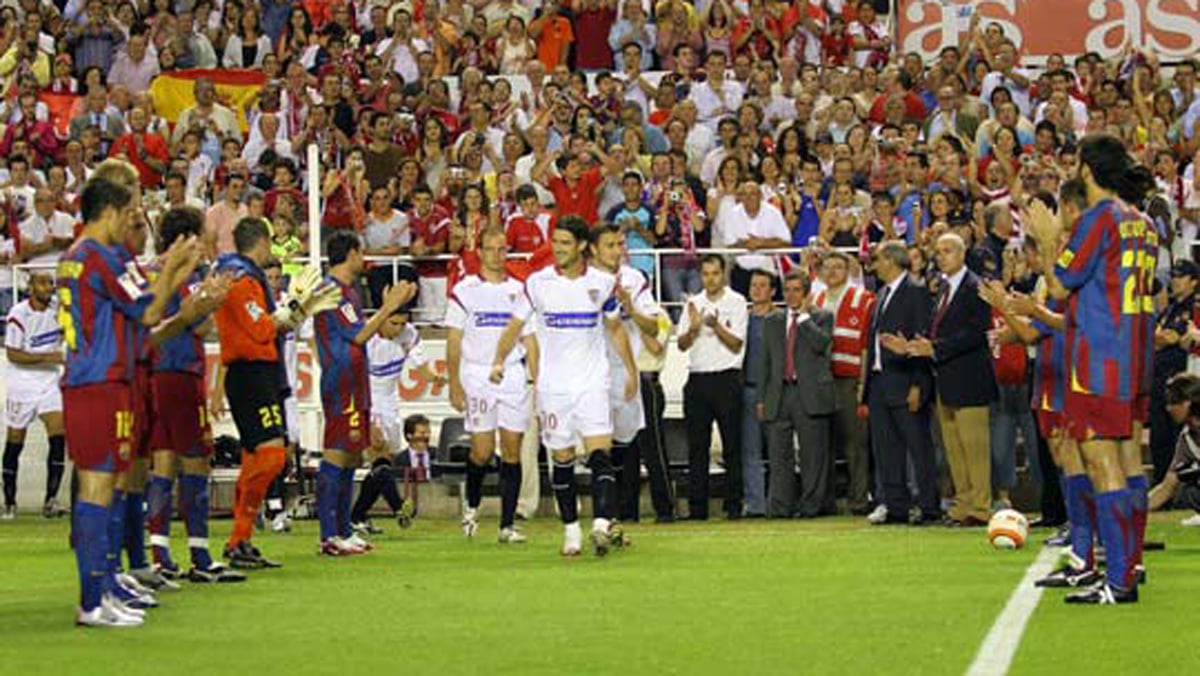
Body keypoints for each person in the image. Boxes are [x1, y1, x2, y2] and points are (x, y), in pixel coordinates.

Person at [58, 177, 199, 627]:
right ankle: (92, 600)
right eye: (128, 214)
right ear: (110, 213)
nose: (130, 224)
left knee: (105, 485)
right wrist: (174, 267)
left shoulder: (75, 258)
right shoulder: (96, 256)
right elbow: (149, 312)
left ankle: (102, 590)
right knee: (100, 487)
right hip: (100, 380)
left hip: (97, 378)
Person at [1023, 134, 1157, 604]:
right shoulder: (1142, 221)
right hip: (1135, 358)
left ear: (1086, 168)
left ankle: (1117, 580)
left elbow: (1059, 286)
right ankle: (1131, 567)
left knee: (1102, 465)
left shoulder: (1099, 219)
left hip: (1098, 358)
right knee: (1128, 462)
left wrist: (1044, 238)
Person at [489, 217, 638, 556]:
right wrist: (498, 359)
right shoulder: (537, 283)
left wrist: (630, 369)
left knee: (601, 452)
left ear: (582, 246)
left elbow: (615, 329)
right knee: (563, 458)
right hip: (553, 387)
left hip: (592, 383)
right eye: (555, 242)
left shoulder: (602, 283)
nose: (557, 248)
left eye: (565, 243)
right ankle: (571, 530)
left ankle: (600, 523)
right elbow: (514, 326)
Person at [213, 217, 338, 569]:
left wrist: (297, 310)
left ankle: (241, 540)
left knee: (260, 458)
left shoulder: (238, 276)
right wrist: (295, 306)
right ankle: (238, 537)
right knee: (270, 457)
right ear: (262, 242)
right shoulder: (240, 280)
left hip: (259, 373)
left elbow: (268, 326)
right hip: (250, 373)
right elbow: (262, 328)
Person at [143, 207, 244, 584]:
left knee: (163, 464)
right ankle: (200, 555)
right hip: (180, 372)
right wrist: (215, 302)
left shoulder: (156, 270)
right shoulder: (182, 275)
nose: (208, 242)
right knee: (196, 462)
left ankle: (159, 553)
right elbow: (196, 327)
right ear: (186, 238)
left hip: (157, 373)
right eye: (202, 235)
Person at [313, 232, 416, 556]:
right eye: (361, 252)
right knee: (336, 454)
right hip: (341, 378)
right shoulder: (331, 291)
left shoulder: (348, 291)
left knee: (351, 456)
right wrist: (388, 306)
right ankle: (329, 535)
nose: (364, 258)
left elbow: (366, 333)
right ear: (352, 253)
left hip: (355, 378)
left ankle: (344, 529)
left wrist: (391, 309)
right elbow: (358, 336)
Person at [897, 233, 996, 526]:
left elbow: (976, 332)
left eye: (947, 250)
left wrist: (935, 348)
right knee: (954, 447)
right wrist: (914, 346)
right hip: (947, 377)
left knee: (974, 447)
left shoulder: (975, 286)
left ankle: (980, 506)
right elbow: (937, 330)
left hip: (970, 377)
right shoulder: (941, 288)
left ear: (962, 254)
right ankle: (963, 503)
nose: (940, 256)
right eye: (938, 251)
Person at [446, 228, 536, 543]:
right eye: (491, 249)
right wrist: (454, 383)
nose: (497, 255)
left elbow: (529, 336)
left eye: (503, 249)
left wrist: (535, 375)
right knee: (482, 451)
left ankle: (507, 525)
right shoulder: (465, 290)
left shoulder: (520, 291)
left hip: (511, 373)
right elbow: (454, 340)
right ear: (479, 251)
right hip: (477, 375)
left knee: (513, 449)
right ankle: (471, 508)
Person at [862, 240, 939, 526]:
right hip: (881, 382)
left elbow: (920, 338)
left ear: (892, 261)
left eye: (878, 259)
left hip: (906, 381)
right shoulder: (882, 293)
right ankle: (896, 506)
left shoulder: (915, 291)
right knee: (886, 449)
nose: (874, 265)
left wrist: (919, 384)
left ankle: (929, 506)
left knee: (919, 447)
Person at [589, 223, 661, 522]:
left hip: (625, 370)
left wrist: (631, 306)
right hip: (591, 370)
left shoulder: (634, 279)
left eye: (621, 245)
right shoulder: (584, 280)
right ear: (594, 248)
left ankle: (626, 515)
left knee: (627, 443)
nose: (619, 251)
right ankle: (602, 516)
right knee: (598, 444)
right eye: (611, 245)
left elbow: (654, 326)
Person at [755, 270, 836, 519]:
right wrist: (761, 398)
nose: (791, 295)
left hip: (809, 394)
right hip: (779, 394)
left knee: (813, 456)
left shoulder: (822, 317)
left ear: (806, 292)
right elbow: (765, 364)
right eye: (787, 290)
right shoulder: (772, 321)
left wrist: (803, 320)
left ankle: (811, 506)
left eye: (796, 290)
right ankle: (780, 507)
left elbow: (822, 345)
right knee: (779, 455)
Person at [351, 306, 439, 534]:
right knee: (378, 453)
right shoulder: (366, 337)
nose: (398, 329)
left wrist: (434, 377)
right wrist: (366, 417)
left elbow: (420, 367)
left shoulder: (408, 334)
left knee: (382, 465)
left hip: (390, 401)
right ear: (381, 319)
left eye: (402, 323)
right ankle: (398, 507)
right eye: (394, 324)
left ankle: (357, 516)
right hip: (367, 399)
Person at [677, 254, 748, 521]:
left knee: (732, 446)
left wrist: (715, 325)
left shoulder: (737, 302)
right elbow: (682, 345)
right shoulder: (693, 303)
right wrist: (693, 329)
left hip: (727, 378)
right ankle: (698, 509)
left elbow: (737, 344)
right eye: (705, 274)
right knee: (697, 448)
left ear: (724, 274)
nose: (710, 279)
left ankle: (733, 506)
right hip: (697, 378)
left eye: (715, 273)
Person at [813, 252, 875, 514]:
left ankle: (859, 499)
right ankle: (825, 501)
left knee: (855, 443)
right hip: (821, 381)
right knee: (823, 443)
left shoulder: (864, 299)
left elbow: (865, 344)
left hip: (849, 379)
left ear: (848, 270)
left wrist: (863, 385)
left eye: (838, 267)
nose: (832, 272)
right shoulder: (815, 300)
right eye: (827, 267)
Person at [2, 271, 66, 520]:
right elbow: (13, 354)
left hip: (50, 381)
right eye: (42, 282)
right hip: (22, 384)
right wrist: (49, 357)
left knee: (58, 437)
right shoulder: (18, 313)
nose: (48, 286)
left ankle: (50, 500)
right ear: (30, 287)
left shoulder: (59, 311)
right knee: (15, 442)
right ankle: (9, 501)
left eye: (50, 282)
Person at [741, 269, 775, 518]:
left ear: (773, 291)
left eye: (763, 285)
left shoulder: (781, 319)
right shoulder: (743, 320)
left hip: (776, 391)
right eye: (754, 285)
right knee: (750, 450)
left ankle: (777, 500)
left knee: (777, 450)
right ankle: (755, 504)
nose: (757, 290)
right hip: (749, 388)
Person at [1148, 373, 1200, 525]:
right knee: (1187, 493)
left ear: (1188, 403)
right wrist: (1135, 511)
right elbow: (1167, 486)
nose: (1168, 408)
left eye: (1173, 402)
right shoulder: (1187, 438)